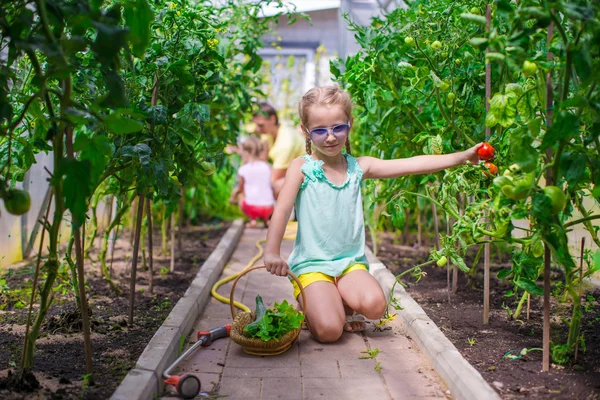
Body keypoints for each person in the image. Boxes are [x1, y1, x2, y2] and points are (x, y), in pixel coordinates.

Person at [263, 86, 482, 343]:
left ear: (350, 124)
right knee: (330, 332)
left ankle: (333, 302)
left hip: (349, 263)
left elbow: (411, 164)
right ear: (305, 130)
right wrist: (271, 252)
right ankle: (313, 305)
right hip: (312, 265)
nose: (331, 137)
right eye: (320, 130)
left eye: (338, 128)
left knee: (376, 307)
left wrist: (462, 158)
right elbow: (282, 210)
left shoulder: (358, 167)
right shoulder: (302, 167)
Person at [252, 103, 305, 198]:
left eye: (260, 125)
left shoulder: (286, 142)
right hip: (290, 172)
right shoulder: (269, 132)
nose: (257, 129)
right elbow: (263, 158)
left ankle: (282, 211)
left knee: (273, 187)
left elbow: (274, 178)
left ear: (272, 119)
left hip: (306, 176)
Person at [229, 136, 275, 228]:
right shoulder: (267, 167)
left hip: (251, 208)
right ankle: (267, 220)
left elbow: (240, 189)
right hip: (269, 208)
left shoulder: (243, 169)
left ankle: (252, 219)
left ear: (245, 152)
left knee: (240, 195)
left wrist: (233, 197)